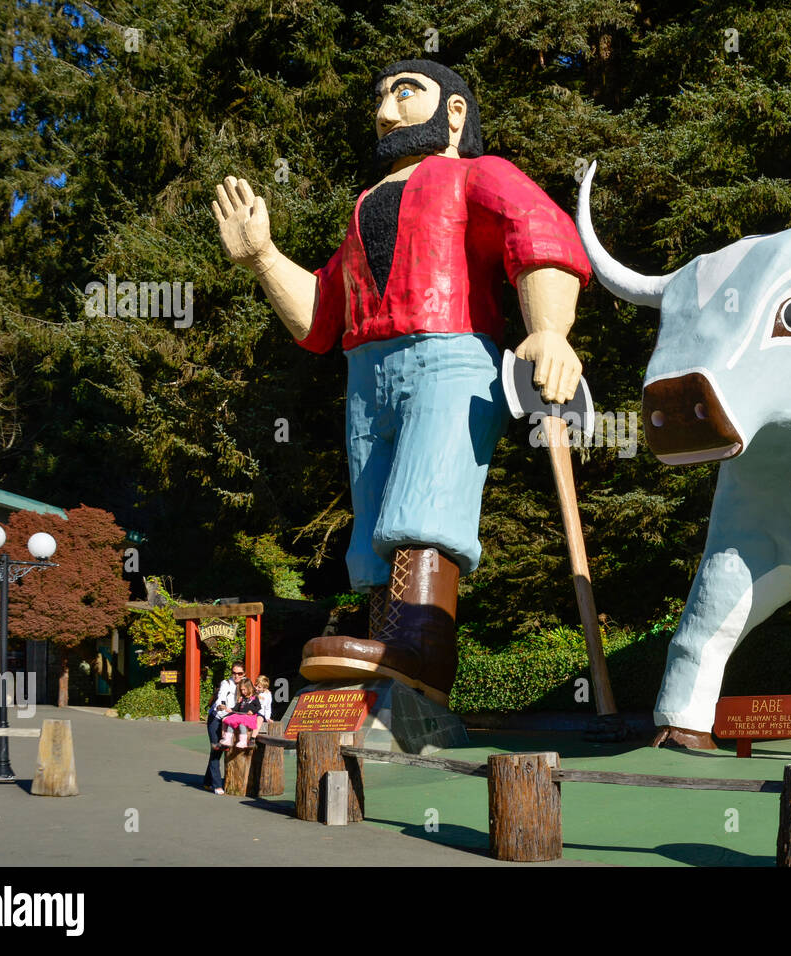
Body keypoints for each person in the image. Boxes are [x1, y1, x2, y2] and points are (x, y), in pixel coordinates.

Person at [213, 59, 591, 707]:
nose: (386, 111)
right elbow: (320, 316)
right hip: (367, 370)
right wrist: (265, 260)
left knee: (428, 488)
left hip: (451, 353)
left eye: (405, 93)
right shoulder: (364, 210)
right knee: (375, 514)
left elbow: (539, 230)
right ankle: (387, 637)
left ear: (454, 112)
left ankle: (422, 641)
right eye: (381, 97)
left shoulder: (479, 173)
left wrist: (550, 329)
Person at [203, 663, 245, 794]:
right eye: (234, 673)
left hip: (230, 719)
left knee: (219, 750)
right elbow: (220, 698)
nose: (236, 676)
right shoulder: (226, 683)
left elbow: (252, 695)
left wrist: (265, 693)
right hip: (216, 718)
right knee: (217, 748)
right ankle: (217, 785)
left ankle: (207, 781)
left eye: (239, 673)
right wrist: (223, 707)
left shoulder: (245, 683)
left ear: (244, 673)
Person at [220, 679, 263, 749]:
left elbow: (258, 707)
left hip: (248, 717)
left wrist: (252, 711)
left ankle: (243, 741)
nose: (243, 692)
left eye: (244, 690)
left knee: (242, 724)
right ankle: (228, 739)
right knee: (231, 722)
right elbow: (237, 707)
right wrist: (231, 709)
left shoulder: (254, 698)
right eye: (241, 690)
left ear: (249, 688)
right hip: (240, 715)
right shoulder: (242, 698)